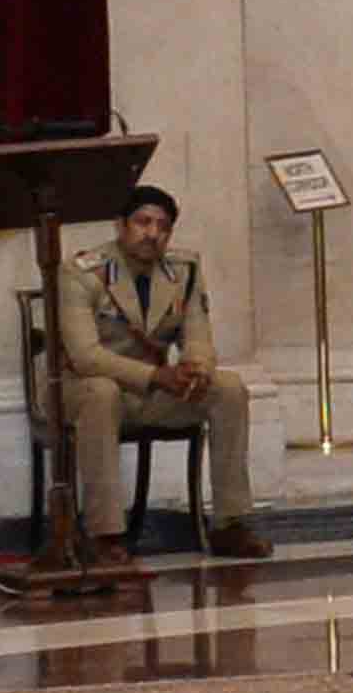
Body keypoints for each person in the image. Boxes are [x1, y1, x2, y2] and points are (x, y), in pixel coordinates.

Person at [48, 185, 253, 558]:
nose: (152, 233)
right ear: (120, 226)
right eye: (142, 222)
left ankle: (230, 524)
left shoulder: (184, 271)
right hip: (85, 391)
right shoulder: (81, 273)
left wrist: (196, 369)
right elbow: (85, 357)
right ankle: (104, 535)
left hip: (149, 393)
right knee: (101, 391)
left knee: (229, 387)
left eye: (162, 226)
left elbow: (199, 336)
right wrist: (158, 377)